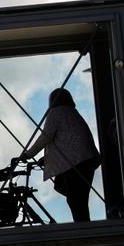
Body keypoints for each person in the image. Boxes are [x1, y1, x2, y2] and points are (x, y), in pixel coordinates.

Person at [20, 88, 99, 222]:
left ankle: (83, 228)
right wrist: (47, 159)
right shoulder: (72, 113)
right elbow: (66, 141)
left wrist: (27, 155)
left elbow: (46, 137)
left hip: (74, 162)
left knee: (75, 199)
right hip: (86, 159)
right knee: (78, 198)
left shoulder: (56, 113)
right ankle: (83, 224)